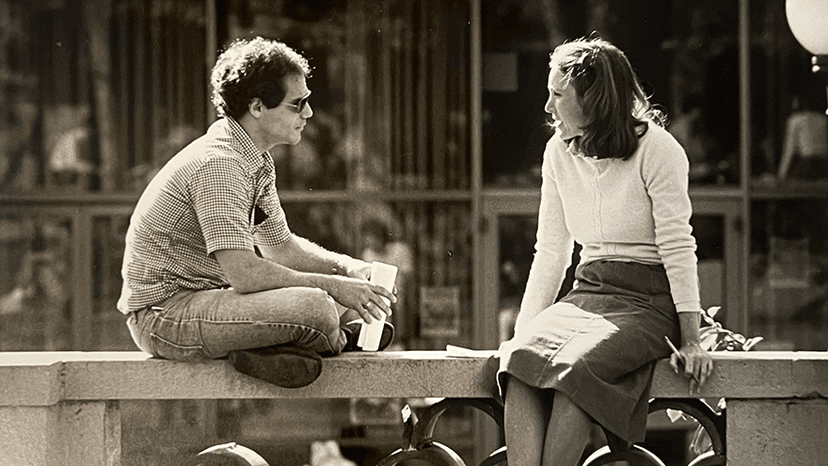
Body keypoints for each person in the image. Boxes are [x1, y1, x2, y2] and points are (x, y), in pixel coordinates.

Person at [117, 37, 396, 389]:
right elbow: (245, 275)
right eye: (298, 104)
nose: (308, 114)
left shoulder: (253, 158)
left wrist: (351, 269)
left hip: (205, 303)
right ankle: (332, 340)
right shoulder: (221, 166)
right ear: (258, 106)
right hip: (164, 318)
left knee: (338, 301)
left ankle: (294, 343)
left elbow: (282, 249)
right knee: (318, 308)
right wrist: (335, 287)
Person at [495, 37, 714, 466]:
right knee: (517, 361)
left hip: (648, 303)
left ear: (594, 99)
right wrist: (523, 332)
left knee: (576, 370)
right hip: (588, 292)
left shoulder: (660, 150)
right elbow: (551, 252)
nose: (548, 106)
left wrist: (691, 340)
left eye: (558, 94)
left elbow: (677, 245)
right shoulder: (557, 153)